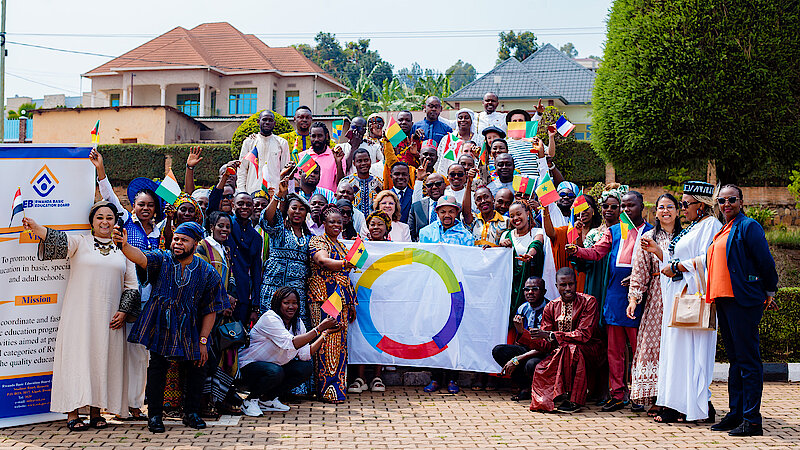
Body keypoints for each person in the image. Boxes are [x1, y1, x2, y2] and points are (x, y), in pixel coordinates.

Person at [23, 203, 138, 430]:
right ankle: (72, 413)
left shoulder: (124, 249)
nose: (105, 222)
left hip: (110, 320)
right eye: (100, 217)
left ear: (116, 221)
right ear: (92, 222)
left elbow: (132, 285)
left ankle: (97, 412)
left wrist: (124, 311)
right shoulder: (80, 242)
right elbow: (57, 239)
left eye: (109, 217)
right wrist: (36, 227)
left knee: (102, 361)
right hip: (79, 316)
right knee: (77, 361)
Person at [114, 221, 229, 433]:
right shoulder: (162, 259)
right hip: (161, 323)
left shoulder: (207, 272)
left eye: (184, 240)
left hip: (191, 326)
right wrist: (124, 246)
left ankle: (192, 413)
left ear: (195, 244)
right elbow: (141, 258)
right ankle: (155, 416)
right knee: (157, 367)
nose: (177, 243)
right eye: (176, 238)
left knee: (197, 366)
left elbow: (211, 309)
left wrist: (203, 341)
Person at [568, 190, 653, 412]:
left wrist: (637, 276)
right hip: (615, 295)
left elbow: (656, 264)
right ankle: (618, 394)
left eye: (630, 206)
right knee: (614, 350)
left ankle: (640, 395)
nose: (626, 210)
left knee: (639, 349)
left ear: (641, 207)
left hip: (640, 296)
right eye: (623, 206)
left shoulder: (651, 232)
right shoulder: (614, 231)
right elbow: (596, 253)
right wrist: (577, 250)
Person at [91, 150, 159, 420]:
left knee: (140, 357)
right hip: (127, 299)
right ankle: (117, 405)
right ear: (133, 206)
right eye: (141, 204)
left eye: (150, 205)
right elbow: (107, 196)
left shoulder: (161, 230)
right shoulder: (126, 222)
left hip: (151, 301)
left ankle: (133, 404)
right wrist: (101, 171)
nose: (145, 208)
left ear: (155, 209)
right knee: (120, 353)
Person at [648, 182, 721, 424]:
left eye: (685, 204)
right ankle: (676, 404)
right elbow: (678, 258)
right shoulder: (692, 228)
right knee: (676, 352)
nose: (682, 208)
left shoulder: (710, 225)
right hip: (679, 296)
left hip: (694, 297)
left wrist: (679, 266)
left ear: (701, 205)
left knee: (691, 354)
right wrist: (661, 254)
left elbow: (709, 258)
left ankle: (693, 405)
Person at [709, 184, 778, 437]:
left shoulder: (749, 226)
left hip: (743, 301)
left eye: (731, 200)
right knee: (735, 360)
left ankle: (752, 420)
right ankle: (736, 413)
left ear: (741, 201)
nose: (726, 204)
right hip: (724, 300)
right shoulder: (724, 228)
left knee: (748, 361)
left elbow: (766, 262)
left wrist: (769, 290)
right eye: (722, 201)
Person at [259, 168, 316, 396]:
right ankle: (268, 386)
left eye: (302, 209)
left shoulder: (310, 238)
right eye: (294, 208)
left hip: (297, 294)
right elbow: (267, 220)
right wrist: (278, 196)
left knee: (295, 335)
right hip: (273, 290)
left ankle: (293, 387)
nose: (298, 212)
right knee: (274, 336)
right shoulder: (279, 231)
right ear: (288, 210)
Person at [238, 287, 338, 416]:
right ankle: (250, 401)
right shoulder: (270, 318)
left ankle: (267, 399)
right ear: (278, 303)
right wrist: (318, 329)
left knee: (305, 368)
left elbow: (305, 354)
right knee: (275, 371)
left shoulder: (297, 323)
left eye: (294, 303)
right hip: (249, 366)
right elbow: (290, 343)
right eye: (286, 303)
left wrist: (325, 333)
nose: (291, 306)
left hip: (273, 367)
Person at [625, 194, 681, 415]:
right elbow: (639, 272)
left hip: (681, 294)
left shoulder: (686, 236)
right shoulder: (648, 237)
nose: (666, 211)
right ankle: (657, 396)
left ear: (678, 210)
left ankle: (676, 396)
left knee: (678, 346)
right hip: (658, 297)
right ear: (655, 212)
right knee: (653, 345)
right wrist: (633, 299)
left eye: (670, 207)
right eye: (661, 207)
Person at [524, 267, 603, 413]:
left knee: (572, 349)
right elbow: (545, 344)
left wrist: (552, 335)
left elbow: (583, 335)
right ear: (556, 286)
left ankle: (575, 400)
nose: (568, 288)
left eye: (571, 284)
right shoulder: (551, 307)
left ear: (576, 283)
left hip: (590, 350)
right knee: (541, 365)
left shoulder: (588, 301)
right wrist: (524, 333)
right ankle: (550, 397)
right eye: (563, 285)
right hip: (561, 353)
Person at [418, 195, 473, 394]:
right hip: (433, 288)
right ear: (437, 212)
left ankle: (453, 377)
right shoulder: (426, 232)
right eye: (443, 211)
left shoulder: (466, 235)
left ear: (457, 212)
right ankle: (435, 377)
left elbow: (468, 262)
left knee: (453, 332)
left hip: (455, 290)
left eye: (451, 211)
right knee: (435, 331)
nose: (447, 215)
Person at [308, 204, 358, 403]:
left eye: (339, 222)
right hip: (323, 299)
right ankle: (324, 390)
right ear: (324, 223)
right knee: (325, 342)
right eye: (332, 222)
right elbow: (322, 261)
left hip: (341, 300)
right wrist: (345, 263)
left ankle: (337, 389)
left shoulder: (343, 246)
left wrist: (352, 302)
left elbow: (346, 277)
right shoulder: (318, 241)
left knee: (339, 346)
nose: (336, 225)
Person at [195, 211, 240, 418]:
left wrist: (230, 298)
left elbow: (229, 277)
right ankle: (202, 403)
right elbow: (203, 277)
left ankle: (217, 400)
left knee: (223, 357)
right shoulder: (203, 246)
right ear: (211, 226)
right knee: (208, 357)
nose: (224, 229)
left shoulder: (226, 249)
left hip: (223, 312)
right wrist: (221, 301)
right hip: (207, 311)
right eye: (220, 225)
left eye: (228, 226)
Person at [492, 277, 550, 401]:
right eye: (527, 289)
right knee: (499, 350)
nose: (530, 292)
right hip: (527, 348)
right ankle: (523, 386)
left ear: (544, 292)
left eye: (535, 289)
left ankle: (538, 390)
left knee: (531, 364)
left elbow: (546, 346)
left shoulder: (550, 309)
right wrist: (520, 332)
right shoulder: (522, 308)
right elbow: (519, 342)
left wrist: (516, 359)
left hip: (543, 351)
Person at [499, 200, 546, 321]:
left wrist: (529, 255)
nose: (515, 218)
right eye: (512, 216)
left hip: (531, 282)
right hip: (511, 285)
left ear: (528, 213)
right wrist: (500, 245)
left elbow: (536, 244)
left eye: (519, 214)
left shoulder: (538, 231)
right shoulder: (505, 235)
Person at [237, 110, 290, 193]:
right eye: (264, 120)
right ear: (258, 122)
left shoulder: (282, 143)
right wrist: (242, 191)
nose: (267, 122)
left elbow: (285, 171)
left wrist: (282, 193)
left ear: (274, 123)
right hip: (252, 191)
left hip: (274, 192)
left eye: (270, 120)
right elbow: (242, 169)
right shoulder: (249, 142)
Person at [504, 102, 555, 177]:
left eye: (521, 120)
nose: (518, 123)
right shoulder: (505, 144)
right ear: (510, 124)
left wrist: (551, 137)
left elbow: (550, 154)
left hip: (535, 181)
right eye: (514, 121)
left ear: (526, 123)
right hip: (516, 182)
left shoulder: (534, 141)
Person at [297, 122, 345, 192]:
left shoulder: (337, 157)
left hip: (329, 200)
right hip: (307, 201)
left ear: (326, 136)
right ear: (310, 137)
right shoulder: (302, 157)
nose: (316, 139)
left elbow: (341, 183)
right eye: (313, 136)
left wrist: (338, 163)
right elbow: (297, 182)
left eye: (320, 136)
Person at [381, 111, 424, 186]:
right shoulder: (390, 141)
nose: (404, 122)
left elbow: (425, 162)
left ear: (412, 123)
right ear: (397, 123)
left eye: (407, 120)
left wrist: (416, 154)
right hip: (394, 181)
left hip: (413, 181)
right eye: (401, 120)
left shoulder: (417, 140)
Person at [436, 108, 483, 174]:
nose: (463, 120)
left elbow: (483, 159)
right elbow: (441, 161)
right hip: (451, 177)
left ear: (471, 120)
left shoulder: (479, 139)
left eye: (466, 118)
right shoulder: (448, 139)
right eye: (460, 118)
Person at [341, 147, 383, 218]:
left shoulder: (379, 182)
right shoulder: (346, 182)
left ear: (370, 161)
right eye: (359, 161)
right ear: (354, 163)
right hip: (353, 222)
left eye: (366, 160)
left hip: (373, 224)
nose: (363, 163)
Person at [408, 173, 447, 241]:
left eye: (438, 184)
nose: (434, 187)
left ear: (445, 185)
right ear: (426, 188)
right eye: (430, 185)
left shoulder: (454, 207)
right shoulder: (417, 207)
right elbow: (411, 233)